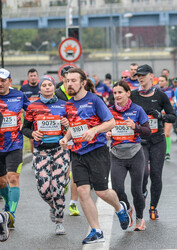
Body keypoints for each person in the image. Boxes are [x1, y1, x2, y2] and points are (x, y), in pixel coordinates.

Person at [59, 68, 129, 244]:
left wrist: (94, 130)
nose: (69, 84)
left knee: (101, 191)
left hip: (96, 151)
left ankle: (120, 208)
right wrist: (65, 138)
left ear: (83, 83)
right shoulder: (68, 105)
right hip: (77, 152)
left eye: (73, 80)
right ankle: (96, 231)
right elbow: (74, 127)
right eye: (67, 80)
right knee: (82, 190)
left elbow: (111, 122)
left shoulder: (95, 100)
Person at [22, 75, 70, 235]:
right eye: (44, 85)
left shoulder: (65, 105)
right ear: (40, 88)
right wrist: (32, 133)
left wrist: (68, 125)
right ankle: (53, 206)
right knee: (43, 189)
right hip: (41, 151)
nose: (47, 87)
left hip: (60, 150)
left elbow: (74, 126)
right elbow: (25, 128)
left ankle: (59, 221)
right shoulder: (33, 107)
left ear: (53, 87)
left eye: (50, 84)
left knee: (57, 187)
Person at [130, 64, 176, 220]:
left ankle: (153, 207)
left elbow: (172, 116)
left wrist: (161, 116)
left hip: (157, 141)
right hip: (140, 141)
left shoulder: (160, 95)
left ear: (151, 76)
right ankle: (142, 192)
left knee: (156, 175)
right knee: (143, 174)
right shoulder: (132, 96)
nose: (140, 78)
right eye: (138, 76)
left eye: (143, 75)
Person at [108, 81, 151, 231]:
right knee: (117, 189)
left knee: (136, 190)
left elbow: (148, 131)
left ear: (128, 93)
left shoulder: (137, 110)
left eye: (120, 92)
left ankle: (140, 218)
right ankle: (128, 208)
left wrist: (135, 127)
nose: (117, 95)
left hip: (135, 153)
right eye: (115, 93)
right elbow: (101, 128)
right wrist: (105, 133)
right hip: (116, 154)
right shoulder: (109, 111)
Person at [0, 68, 30, 230]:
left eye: (3, 80)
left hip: (14, 144)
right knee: (2, 182)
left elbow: (33, 112)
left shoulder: (19, 95)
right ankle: (7, 202)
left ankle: (10, 214)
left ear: (10, 82)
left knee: (13, 178)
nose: (0, 83)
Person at [55, 68, 80, 217]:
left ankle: (73, 204)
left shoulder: (79, 90)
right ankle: (65, 179)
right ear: (63, 78)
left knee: (76, 170)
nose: (69, 81)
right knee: (65, 171)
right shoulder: (56, 93)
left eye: (72, 78)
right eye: (67, 78)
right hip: (61, 136)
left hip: (76, 134)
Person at [20, 68, 40, 153]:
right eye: (31, 76)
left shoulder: (41, 87)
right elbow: (20, 102)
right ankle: (33, 157)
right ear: (28, 77)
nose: (33, 77)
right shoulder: (23, 88)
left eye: (34, 75)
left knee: (39, 137)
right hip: (29, 117)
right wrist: (22, 109)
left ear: (37, 76)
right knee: (32, 139)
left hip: (40, 116)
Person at [158, 75, 175, 160]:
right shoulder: (156, 90)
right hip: (158, 115)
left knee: (167, 133)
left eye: (162, 81)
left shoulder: (171, 90)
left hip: (167, 114)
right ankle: (160, 150)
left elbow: (174, 100)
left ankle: (167, 152)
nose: (160, 82)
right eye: (159, 81)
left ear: (166, 81)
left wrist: (173, 102)